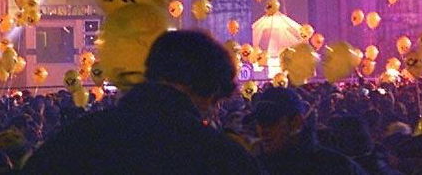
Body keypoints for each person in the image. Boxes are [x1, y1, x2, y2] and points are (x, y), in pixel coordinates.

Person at [22, 30, 255, 175]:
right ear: (208, 89)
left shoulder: (77, 138)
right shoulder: (217, 156)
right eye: (215, 102)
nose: (212, 114)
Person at [252, 87, 359, 175]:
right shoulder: (254, 167)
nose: (263, 130)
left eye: (270, 120)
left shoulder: (335, 167)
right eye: (259, 121)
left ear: (296, 122)